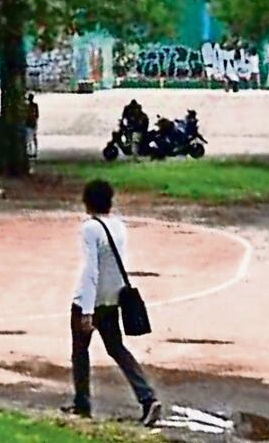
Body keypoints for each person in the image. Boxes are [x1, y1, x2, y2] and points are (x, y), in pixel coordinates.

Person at [63, 180, 161, 426]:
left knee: (80, 351)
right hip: (111, 298)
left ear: (87, 202)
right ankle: (147, 396)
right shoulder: (118, 226)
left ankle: (82, 403)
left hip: (91, 299)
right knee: (117, 348)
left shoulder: (90, 229)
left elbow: (91, 269)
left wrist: (86, 309)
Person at [25, 94, 40, 160]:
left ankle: (30, 151)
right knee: (33, 137)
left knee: (29, 138)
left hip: (29, 123)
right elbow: (37, 115)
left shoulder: (27, 106)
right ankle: (34, 151)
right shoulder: (34, 105)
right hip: (32, 122)